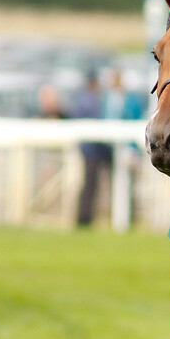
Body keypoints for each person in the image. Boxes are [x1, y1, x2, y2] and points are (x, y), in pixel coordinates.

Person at [71, 71, 112, 226]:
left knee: (88, 185)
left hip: (87, 149)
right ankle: (84, 218)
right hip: (93, 150)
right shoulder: (92, 100)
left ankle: (84, 217)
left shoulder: (82, 99)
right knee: (90, 185)